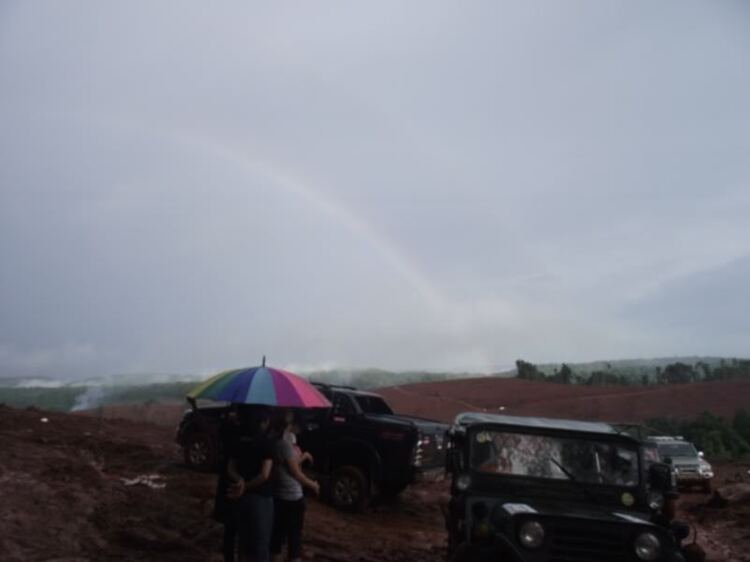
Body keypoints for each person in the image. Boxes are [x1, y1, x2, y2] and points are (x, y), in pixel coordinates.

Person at [270, 410, 319, 562]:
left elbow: (289, 465)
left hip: (278, 495)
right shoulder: (284, 444)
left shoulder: (274, 440)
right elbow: (295, 473)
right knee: (294, 540)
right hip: (291, 497)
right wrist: (312, 484)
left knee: (277, 537)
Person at [227, 407, 275, 562]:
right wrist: (246, 486)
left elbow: (230, 468)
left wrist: (240, 482)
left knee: (243, 541)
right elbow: (264, 474)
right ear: (264, 422)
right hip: (260, 497)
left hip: (240, 497)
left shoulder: (238, 439)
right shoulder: (266, 442)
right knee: (260, 543)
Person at [214, 405, 242, 562]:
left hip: (227, 477)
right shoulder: (244, 431)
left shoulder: (227, 425)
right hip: (239, 480)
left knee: (230, 527)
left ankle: (229, 555)